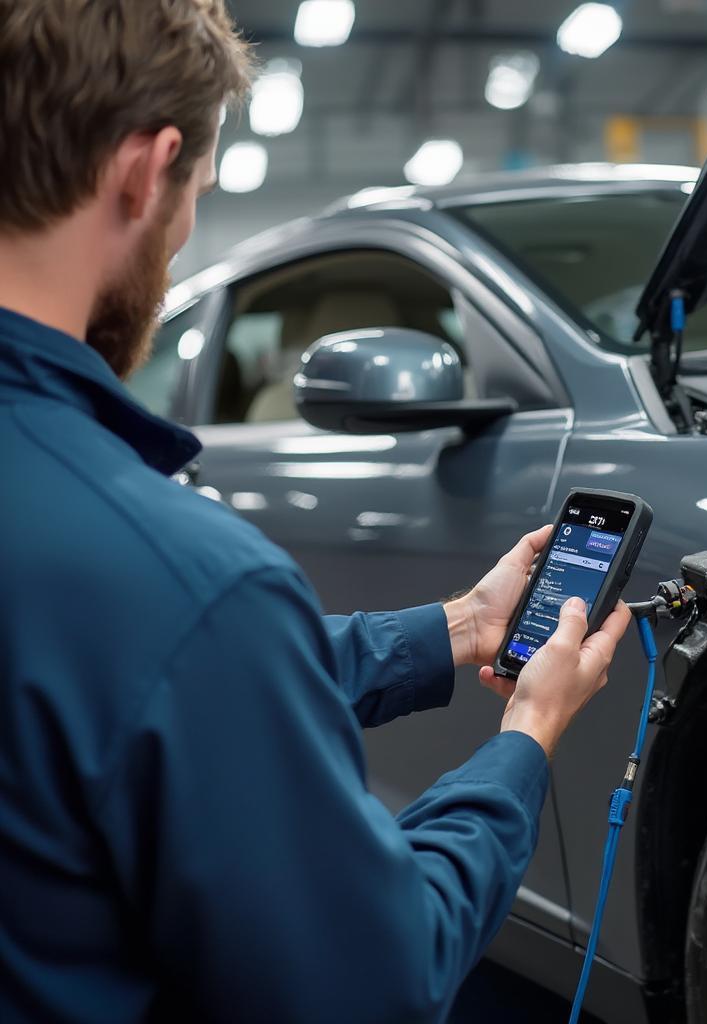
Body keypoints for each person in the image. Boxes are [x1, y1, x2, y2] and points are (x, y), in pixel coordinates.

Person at [0, 2, 632, 1022]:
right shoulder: (187, 579)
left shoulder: (144, 594)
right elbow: (377, 983)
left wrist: (461, 628)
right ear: (144, 170)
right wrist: (526, 735)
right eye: (197, 191)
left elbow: (140, 691)